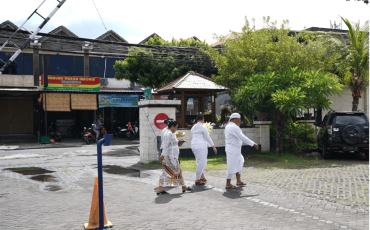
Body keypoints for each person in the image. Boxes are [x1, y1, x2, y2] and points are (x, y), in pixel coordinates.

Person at [157, 120, 193, 194]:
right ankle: (183, 186)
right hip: (170, 157)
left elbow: (170, 144)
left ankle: (161, 187)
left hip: (171, 156)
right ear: (172, 126)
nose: (176, 129)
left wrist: (178, 143)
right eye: (176, 127)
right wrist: (162, 155)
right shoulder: (168, 134)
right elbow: (165, 146)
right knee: (178, 171)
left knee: (165, 171)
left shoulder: (170, 133)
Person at [225, 113, 259, 189]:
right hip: (233, 150)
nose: (239, 121)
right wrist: (253, 144)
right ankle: (228, 183)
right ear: (235, 119)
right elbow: (242, 137)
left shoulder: (229, 126)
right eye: (239, 119)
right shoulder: (234, 127)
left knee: (240, 162)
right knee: (231, 166)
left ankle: (238, 180)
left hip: (234, 149)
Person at [191, 114, 217, 185]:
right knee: (202, 162)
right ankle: (197, 179)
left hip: (194, 145)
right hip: (201, 146)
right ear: (203, 119)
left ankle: (202, 177)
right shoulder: (203, 128)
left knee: (199, 162)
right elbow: (207, 138)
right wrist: (213, 146)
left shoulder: (193, 127)